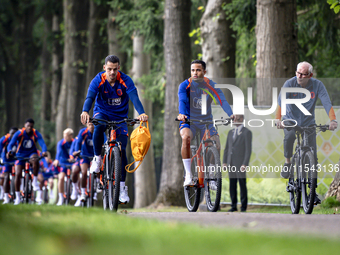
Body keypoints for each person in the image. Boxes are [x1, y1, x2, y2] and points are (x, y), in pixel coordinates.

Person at [80, 54, 148, 204]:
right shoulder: (98, 80)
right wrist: (85, 110)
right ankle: (97, 158)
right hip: (102, 112)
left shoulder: (125, 80)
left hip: (120, 117)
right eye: (109, 69)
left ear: (119, 68)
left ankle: (122, 187)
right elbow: (90, 97)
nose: (112, 72)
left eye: (115, 69)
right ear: (104, 68)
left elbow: (134, 97)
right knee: (98, 127)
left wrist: (141, 112)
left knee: (122, 149)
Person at [276, 61, 337, 203]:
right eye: (298, 73)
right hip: (290, 120)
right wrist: (278, 119)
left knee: (313, 156)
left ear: (310, 75)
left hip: (308, 123)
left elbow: (327, 102)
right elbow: (280, 102)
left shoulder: (317, 85)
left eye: (303, 74)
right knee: (290, 136)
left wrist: (333, 120)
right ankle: (287, 163)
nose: (300, 76)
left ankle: (312, 192)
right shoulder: (289, 84)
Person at [177, 59, 233, 186]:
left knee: (216, 145)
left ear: (204, 71)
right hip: (189, 120)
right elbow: (183, 101)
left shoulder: (211, 85)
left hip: (206, 121)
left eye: (198, 70)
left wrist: (231, 114)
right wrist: (182, 114)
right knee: (185, 138)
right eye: (192, 70)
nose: (195, 73)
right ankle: (188, 175)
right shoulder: (184, 85)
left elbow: (222, 100)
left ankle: (212, 175)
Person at [7, 119, 47, 205]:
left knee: (35, 159)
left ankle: (34, 181)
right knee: (17, 174)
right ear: (25, 125)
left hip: (31, 153)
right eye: (28, 126)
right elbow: (11, 144)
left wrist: (44, 151)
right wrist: (9, 151)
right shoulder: (19, 133)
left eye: (31, 126)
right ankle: (17, 197)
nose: (29, 128)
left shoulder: (35, 133)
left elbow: (42, 143)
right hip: (20, 155)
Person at [223, 115, 252, 212]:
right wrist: (224, 162)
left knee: (242, 184)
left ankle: (243, 206)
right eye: (234, 119)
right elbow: (227, 148)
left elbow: (248, 150)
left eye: (237, 119)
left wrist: (245, 164)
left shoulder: (247, 132)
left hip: (240, 163)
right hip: (230, 162)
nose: (234, 120)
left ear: (242, 119)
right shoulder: (230, 132)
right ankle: (233, 206)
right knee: (232, 184)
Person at [71, 122, 95, 206]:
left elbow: (104, 139)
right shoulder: (83, 132)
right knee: (84, 172)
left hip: (95, 156)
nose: (91, 126)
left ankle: (95, 188)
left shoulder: (98, 131)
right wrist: (77, 151)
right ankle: (82, 192)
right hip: (84, 155)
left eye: (93, 125)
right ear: (87, 126)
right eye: (89, 125)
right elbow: (78, 142)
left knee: (97, 171)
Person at [53, 128, 74, 206]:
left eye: (67, 136)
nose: (65, 138)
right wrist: (56, 160)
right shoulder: (61, 143)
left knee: (77, 176)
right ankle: (61, 197)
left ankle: (76, 192)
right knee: (61, 178)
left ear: (71, 136)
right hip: (63, 162)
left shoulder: (74, 141)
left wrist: (72, 158)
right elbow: (58, 152)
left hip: (72, 162)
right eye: (64, 136)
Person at [0, 127, 18, 204]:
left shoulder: (20, 138)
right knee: (6, 177)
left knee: (19, 175)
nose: (13, 135)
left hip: (17, 158)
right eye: (12, 133)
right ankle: (6, 197)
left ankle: (21, 193)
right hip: (6, 159)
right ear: (9, 133)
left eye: (15, 134)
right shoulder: (4, 139)